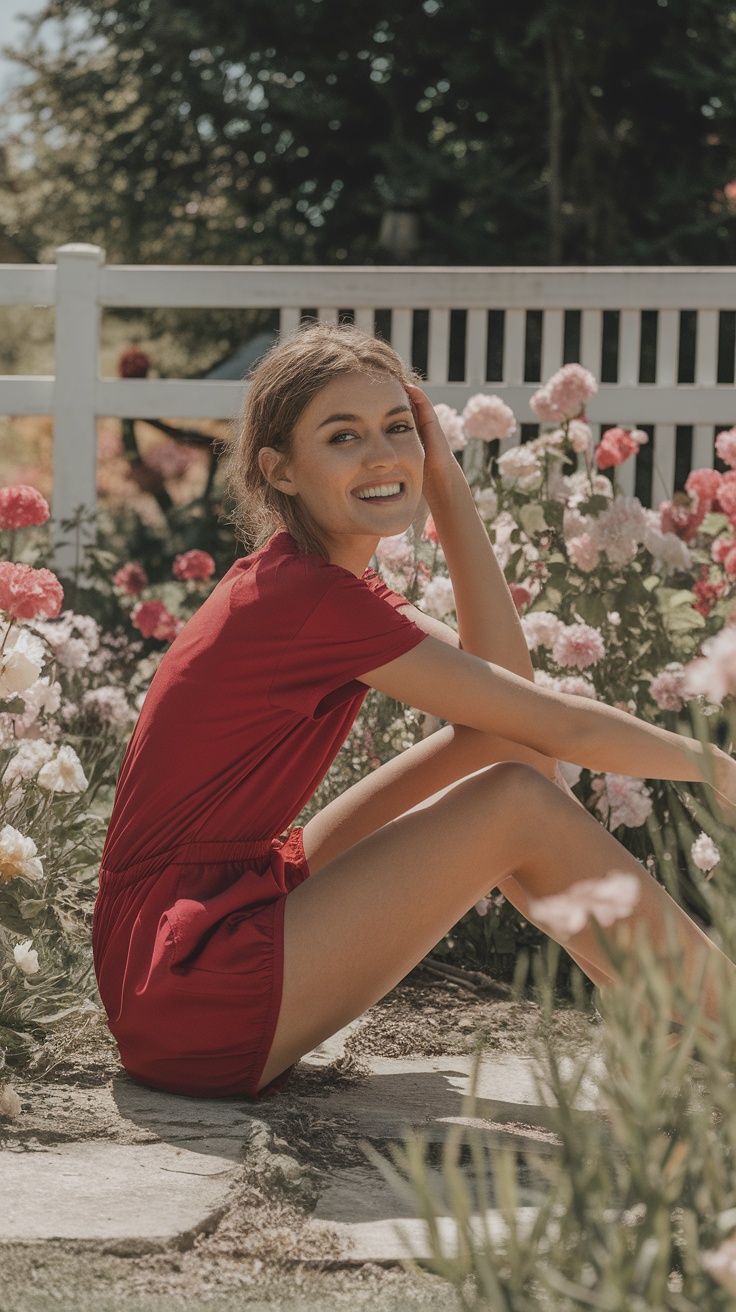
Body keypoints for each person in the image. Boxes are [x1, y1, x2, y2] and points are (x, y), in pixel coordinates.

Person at [92, 322, 736, 1101]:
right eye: (343, 436)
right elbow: (556, 724)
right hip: (190, 975)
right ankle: (713, 1019)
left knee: (505, 759)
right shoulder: (305, 599)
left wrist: (448, 488)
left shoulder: (311, 582)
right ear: (280, 471)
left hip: (210, 914)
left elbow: (509, 707)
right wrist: (712, 762)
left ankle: (673, 1016)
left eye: (399, 427)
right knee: (517, 802)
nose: (381, 454)